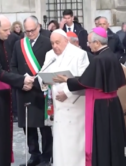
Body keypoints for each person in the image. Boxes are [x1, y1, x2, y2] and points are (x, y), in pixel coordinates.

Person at [53, 27, 126, 166]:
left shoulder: (98, 59)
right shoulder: (111, 55)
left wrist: (66, 80)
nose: (88, 45)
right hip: (113, 104)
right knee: (114, 137)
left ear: (97, 42)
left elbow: (84, 82)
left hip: (100, 107)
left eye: (89, 42)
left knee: (102, 139)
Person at [0, 15, 35, 166]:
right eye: (5, 30)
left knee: (3, 134)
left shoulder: (3, 41)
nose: (9, 33)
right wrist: (21, 80)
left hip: (3, 94)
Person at [38, 29, 89, 166]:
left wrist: (67, 92)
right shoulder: (50, 55)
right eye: (52, 43)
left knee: (74, 143)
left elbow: (85, 78)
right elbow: (42, 73)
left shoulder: (79, 54)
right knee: (60, 142)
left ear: (66, 41)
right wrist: (43, 80)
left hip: (74, 106)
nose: (55, 46)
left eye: (58, 42)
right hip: (58, 108)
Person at [11, 16, 53, 166]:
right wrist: (22, 80)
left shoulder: (48, 43)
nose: (29, 33)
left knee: (44, 126)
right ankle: (34, 154)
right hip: (24, 89)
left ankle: (47, 156)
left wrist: (35, 81)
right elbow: (13, 66)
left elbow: (52, 66)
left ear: (39, 27)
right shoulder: (19, 44)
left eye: (32, 30)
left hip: (42, 90)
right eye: (26, 31)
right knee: (28, 125)